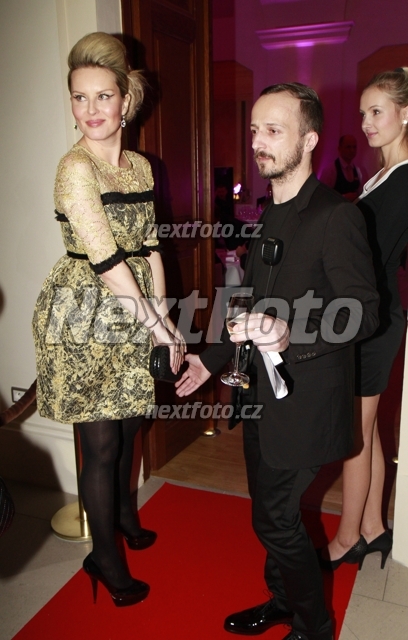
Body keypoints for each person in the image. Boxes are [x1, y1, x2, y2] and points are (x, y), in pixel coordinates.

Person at [176, 82, 379, 640]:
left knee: (274, 518)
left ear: (309, 139)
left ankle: (315, 628)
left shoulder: (335, 216)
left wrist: (292, 333)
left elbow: (365, 311)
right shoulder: (270, 214)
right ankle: (284, 602)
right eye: (254, 130)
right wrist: (211, 360)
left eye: (273, 130)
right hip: (258, 395)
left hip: (307, 403)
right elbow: (249, 306)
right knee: (270, 514)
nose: (257, 142)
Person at [32, 32, 185, 607]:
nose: (91, 110)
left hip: (134, 308)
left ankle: (122, 514)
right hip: (85, 314)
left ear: (126, 98)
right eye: (79, 97)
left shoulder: (141, 167)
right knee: (99, 444)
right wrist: (155, 326)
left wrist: (165, 319)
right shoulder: (75, 169)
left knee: (127, 427)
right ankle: (104, 558)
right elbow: (107, 261)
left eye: (103, 96)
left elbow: (150, 249)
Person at [323, 68, 408, 571]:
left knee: (354, 434)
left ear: (405, 113)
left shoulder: (405, 178)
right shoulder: (380, 174)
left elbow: (372, 255)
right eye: (362, 113)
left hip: (374, 319)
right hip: (367, 313)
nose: (366, 122)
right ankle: (373, 528)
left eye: (377, 111)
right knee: (367, 429)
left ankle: (346, 538)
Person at [320, 134, 366, 201]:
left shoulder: (358, 171)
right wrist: (343, 197)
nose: (352, 150)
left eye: (354, 147)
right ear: (340, 149)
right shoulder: (330, 170)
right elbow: (322, 196)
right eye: (348, 147)